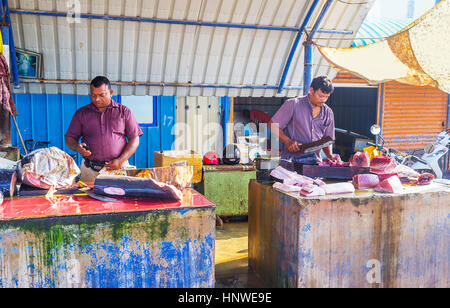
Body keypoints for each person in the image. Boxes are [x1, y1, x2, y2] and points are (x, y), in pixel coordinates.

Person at [65, 76, 143, 182]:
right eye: (93, 96)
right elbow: (70, 138)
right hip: (90, 171)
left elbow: (135, 139)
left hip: (118, 168)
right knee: (88, 198)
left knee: (120, 197)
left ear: (110, 92)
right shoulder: (81, 113)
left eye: (102, 95)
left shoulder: (124, 112)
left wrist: (120, 160)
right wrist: (77, 148)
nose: (97, 99)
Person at [270, 75, 339, 163]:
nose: (324, 100)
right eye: (321, 96)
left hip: (315, 164)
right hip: (292, 162)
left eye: (326, 97)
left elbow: (327, 140)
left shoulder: (328, 112)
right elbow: (273, 125)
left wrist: (330, 156)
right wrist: (287, 141)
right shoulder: (293, 104)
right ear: (311, 90)